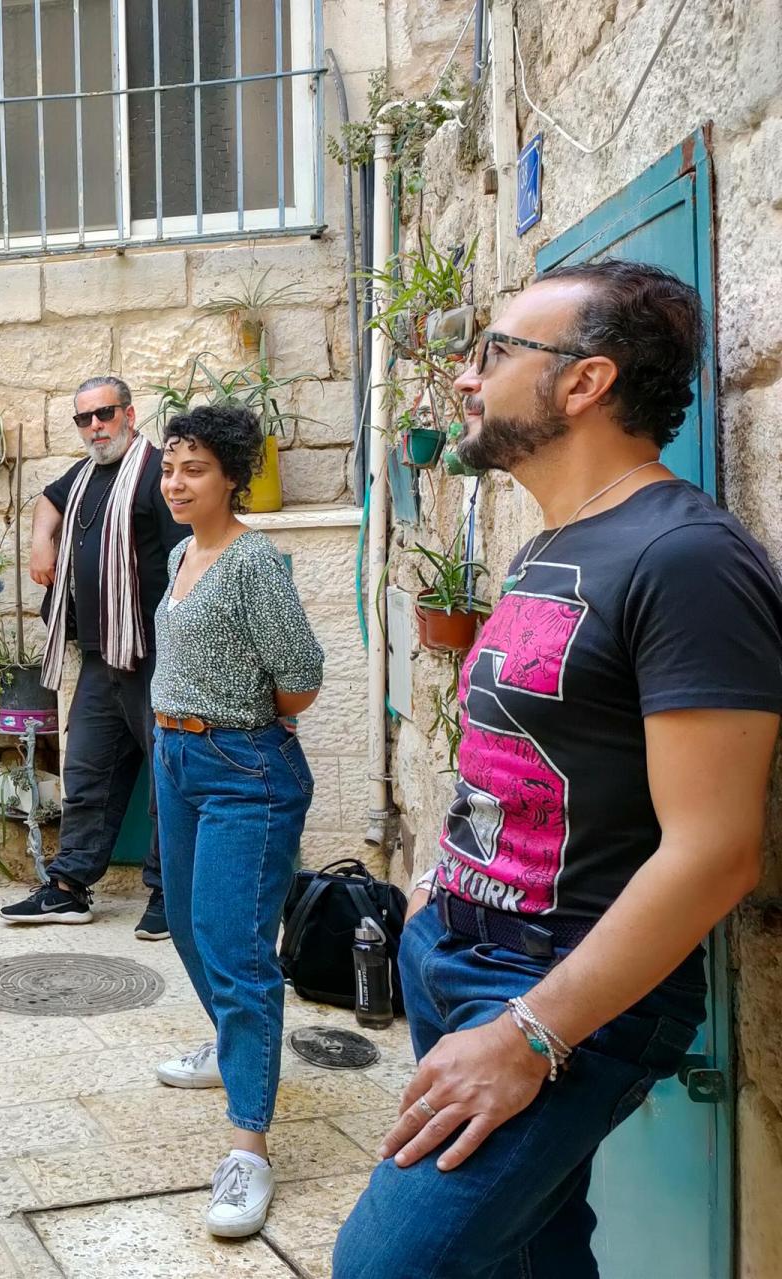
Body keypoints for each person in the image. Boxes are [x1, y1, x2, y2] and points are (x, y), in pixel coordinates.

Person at [333, 262, 782, 1277]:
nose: (466, 377)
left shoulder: (688, 559)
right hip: (457, 951)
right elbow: (520, 752)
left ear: (584, 382)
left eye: (493, 352)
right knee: (531, 1254)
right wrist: (436, 887)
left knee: (386, 1262)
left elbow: (716, 851)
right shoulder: (553, 545)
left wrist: (529, 1034)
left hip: (560, 991)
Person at [146, 405, 323, 1237]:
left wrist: (242, 723)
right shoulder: (181, 553)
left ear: (231, 478)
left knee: (237, 946)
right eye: (169, 468)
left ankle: (249, 1146)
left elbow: (302, 679)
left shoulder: (254, 562)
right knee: (186, 923)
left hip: (243, 767)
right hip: (175, 758)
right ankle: (233, 1050)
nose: (176, 483)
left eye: (194, 469)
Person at [0, 376, 189, 936]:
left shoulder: (156, 474)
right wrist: (42, 541)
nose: (95, 427)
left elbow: (187, 556)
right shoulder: (83, 476)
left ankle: (168, 894)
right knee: (86, 773)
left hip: (155, 652)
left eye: (104, 414)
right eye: (84, 419)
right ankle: (68, 888)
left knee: (167, 778)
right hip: (100, 654)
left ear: (129, 414)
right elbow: (48, 499)